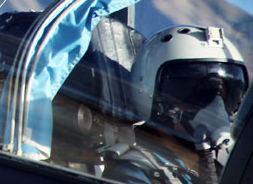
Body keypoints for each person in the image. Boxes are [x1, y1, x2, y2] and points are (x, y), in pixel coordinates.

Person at [102, 25, 248, 184]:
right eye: (197, 96)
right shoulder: (134, 172)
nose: (216, 108)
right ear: (157, 102)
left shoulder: (227, 171)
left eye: (227, 98)